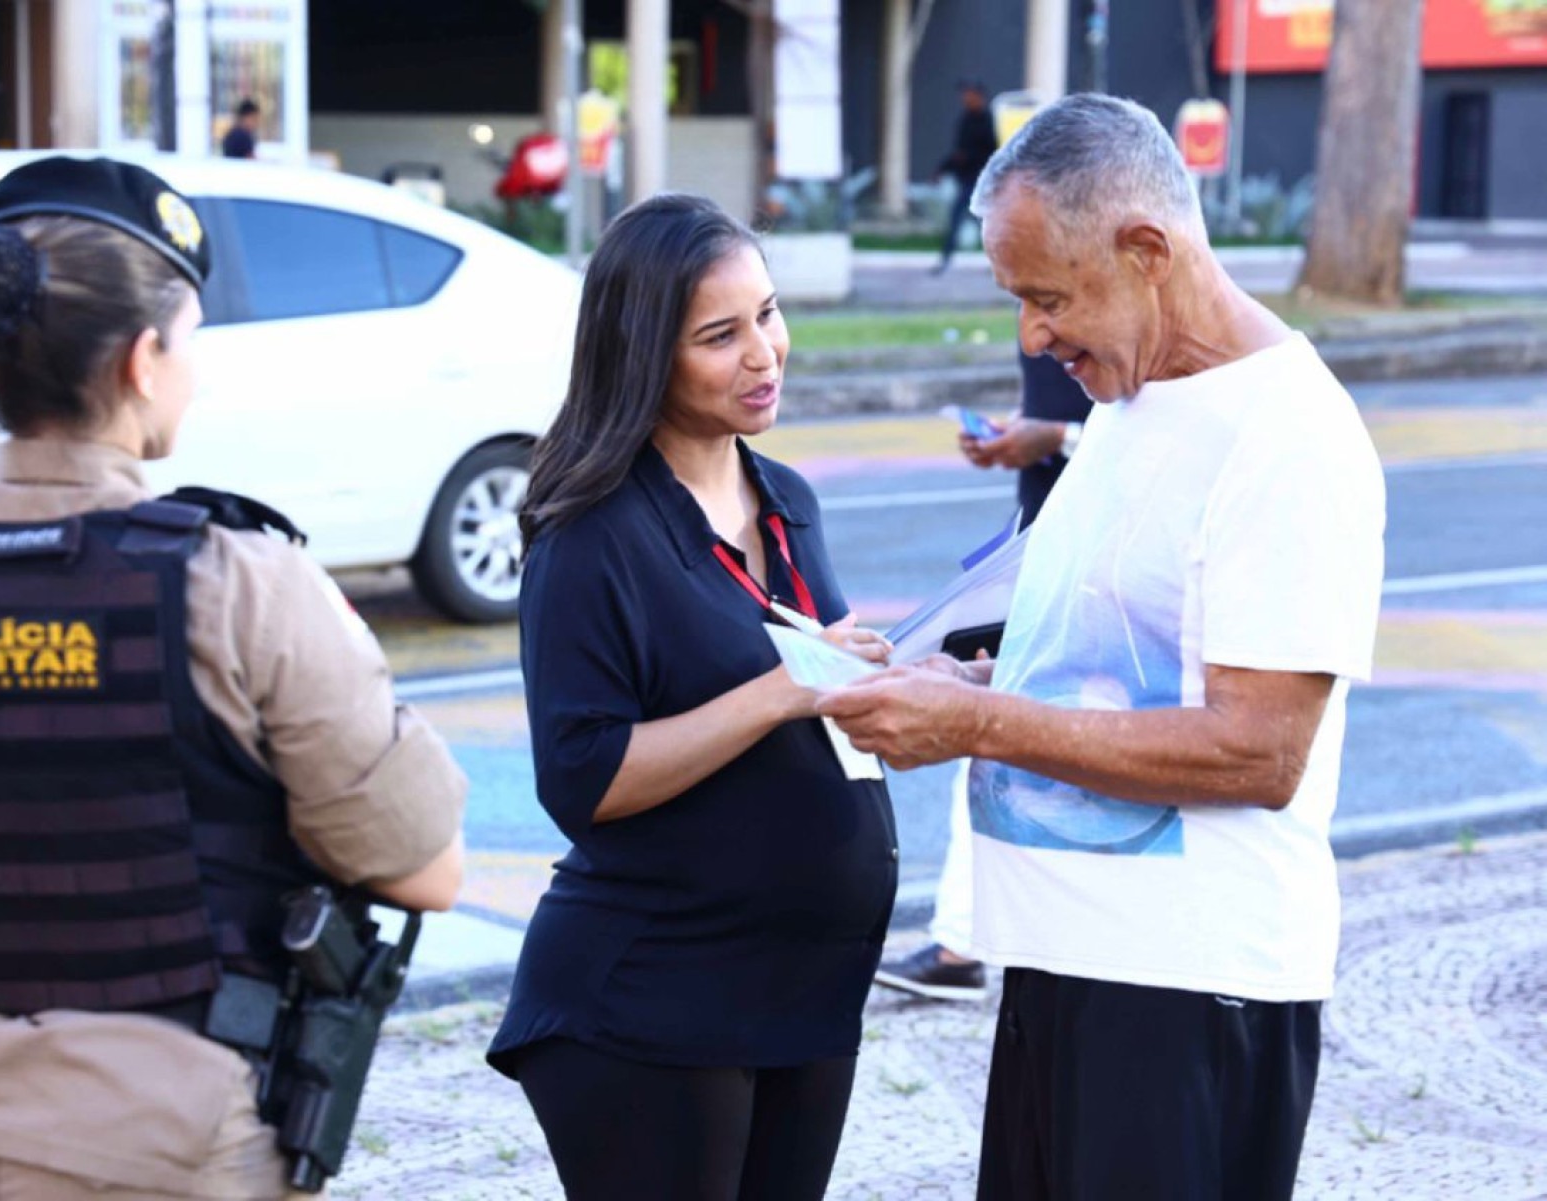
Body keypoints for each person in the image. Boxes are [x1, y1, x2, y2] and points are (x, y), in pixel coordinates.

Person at [0, 156, 467, 1200]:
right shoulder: (243, 582)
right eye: (191, 342)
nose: (198, 370)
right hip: (169, 1144)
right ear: (143, 360)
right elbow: (428, 871)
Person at [820, 94, 1385, 1200]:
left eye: (1046, 297)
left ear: (1145, 251)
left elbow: (1258, 752)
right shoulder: (1132, 401)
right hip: (1072, 969)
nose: (1033, 337)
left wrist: (981, 721)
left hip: (1185, 994)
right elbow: (1118, 672)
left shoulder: (1289, 437)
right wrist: (967, 679)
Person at [487, 193, 899, 1201]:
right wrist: (781, 691)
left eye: (768, 314)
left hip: (804, 986)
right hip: (656, 996)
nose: (765, 352)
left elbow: (822, 697)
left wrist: (927, 692)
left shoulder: (784, 498)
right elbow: (583, 777)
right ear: (645, 356)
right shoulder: (591, 536)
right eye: (722, 335)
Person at [874, 350, 1091, 1003]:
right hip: (1042, 537)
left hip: (1087, 554)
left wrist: (1057, 436)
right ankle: (963, 941)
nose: (1031, 324)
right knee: (997, 725)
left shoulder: (1135, 318)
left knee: (1014, 729)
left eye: (1041, 299)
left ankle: (966, 943)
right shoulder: (1058, 311)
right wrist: (1022, 434)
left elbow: (1149, 431)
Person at [932, 80, 998, 275]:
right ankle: (945, 260)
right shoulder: (965, 120)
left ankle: (997, 263)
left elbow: (992, 152)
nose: (966, 99)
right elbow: (959, 152)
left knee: (988, 224)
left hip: (982, 180)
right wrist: (942, 169)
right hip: (966, 179)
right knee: (957, 219)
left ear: (979, 97)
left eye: (970, 95)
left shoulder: (988, 121)